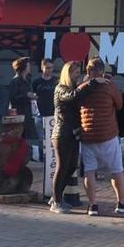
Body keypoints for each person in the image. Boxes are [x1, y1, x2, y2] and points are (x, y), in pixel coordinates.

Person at [79, 57, 124, 216]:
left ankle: (93, 206)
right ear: (102, 71)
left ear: (88, 71)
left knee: (89, 171)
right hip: (107, 133)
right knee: (116, 169)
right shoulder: (109, 86)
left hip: (87, 134)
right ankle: (122, 202)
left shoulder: (82, 87)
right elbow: (119, 104)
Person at [50, 61, 90, 214]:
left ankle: (56, 195)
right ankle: (56, 200)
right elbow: (73, 96)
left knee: (72, 165)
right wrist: (88, 83)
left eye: (78, 72)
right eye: (75, 73)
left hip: (72, 133)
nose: (77, 75)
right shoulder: (61, 88)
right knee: (62, 166)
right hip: (61, 133)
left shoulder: (74, 88)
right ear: (68, 74)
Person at [31, 58, 58, 161]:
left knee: (53, 137)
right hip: (39, 113)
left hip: (53, 113)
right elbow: (32, 95)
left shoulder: (56, 81)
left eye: (51, 68)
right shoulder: (36, 82)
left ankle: (53, 157)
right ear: (42, 68)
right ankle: (42, 156)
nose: (49, 70)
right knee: (41, 138)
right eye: (47, 68)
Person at [7, 57, 39, 142]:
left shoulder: (28, 80)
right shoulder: (15, 81)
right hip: (19, 113)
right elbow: (12, 98)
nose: (30, 67)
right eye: (28, 65)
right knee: (18, 137)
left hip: (28, 112)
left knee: (28, 138)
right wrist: (26, 95)